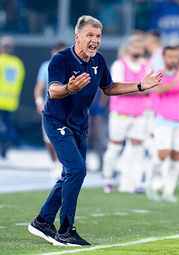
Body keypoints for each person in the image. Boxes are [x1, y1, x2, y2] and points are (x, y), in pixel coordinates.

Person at [28, 15, 162, 246]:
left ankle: (42, 221)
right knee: (77, 169)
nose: (95, 40)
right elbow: (53, 91)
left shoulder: (97, 59)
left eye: (98, 36)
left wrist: (140, 86)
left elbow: (109, 88)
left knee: (72, 173)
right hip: (57, 121)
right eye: (90, 35)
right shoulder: (60, 59)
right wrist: (69, 88)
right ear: (77, 37)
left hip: (80, 123)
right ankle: (66, 230)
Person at [102, 35, 151, 194]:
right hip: (120, 114)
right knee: (115, 148)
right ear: (127, 48)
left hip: (139, 114)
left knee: (137, 149)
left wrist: (137, 89)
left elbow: (152, 88)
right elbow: (118, 89)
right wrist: (140, 88)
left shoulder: (146, 65)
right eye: (135, 45)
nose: (138, 48)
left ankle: (136, 181)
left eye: (140, 46)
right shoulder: (119, 64)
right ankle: (108, 178)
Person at [145, 46, 179, 203]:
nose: (173, 60)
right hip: (163, 119)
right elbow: (160, 90)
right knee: (162, 154)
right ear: (164, 58)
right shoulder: (158, 73)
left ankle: (168, 192)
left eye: (175, 57)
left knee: (176, 156)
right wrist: (178, 77)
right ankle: (149, 184)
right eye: (170, 56)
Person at [34, 42, 66, 179]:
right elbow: (39, 87)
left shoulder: (69, 67)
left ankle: (60, 164)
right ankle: (54, 162)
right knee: (48, 140)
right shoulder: (45, 67)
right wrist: (39, 102)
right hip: (49, 108)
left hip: (64, 109)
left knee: (61, 137)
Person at [0, 36, 25, 159]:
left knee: (3, 125)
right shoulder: (17, 63)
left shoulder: (1, 61)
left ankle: (7, 142)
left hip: (0, 98)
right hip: (11, 99)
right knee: (8, 124)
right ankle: (9, 143)